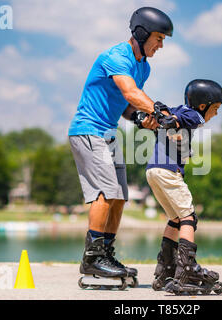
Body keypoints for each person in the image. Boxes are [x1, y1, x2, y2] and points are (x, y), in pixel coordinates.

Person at [68, 7, 173, 290]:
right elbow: (130, 92)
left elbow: (128, 106)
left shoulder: (143, 67)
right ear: (141, 33)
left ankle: (106, 255)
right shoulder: (116, 56)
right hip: (88, 130)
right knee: (105, 192)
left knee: (120, 196)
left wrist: (142, 118)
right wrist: (163, 112)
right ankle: (91, 258)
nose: (161, 45)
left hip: (108, 134)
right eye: (159, 38)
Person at [134, 79, 222, 295]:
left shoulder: (175, 111)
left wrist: (158, 116)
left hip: (153, 172)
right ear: (203, 105)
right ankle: (187, 271)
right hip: (167, 171)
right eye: (215, 108)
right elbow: (184, 118)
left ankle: (166, 269)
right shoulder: (193, 114)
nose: (216, 114)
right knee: (188, 217)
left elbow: (165, 113)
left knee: (175, 219)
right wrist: (171, 121)